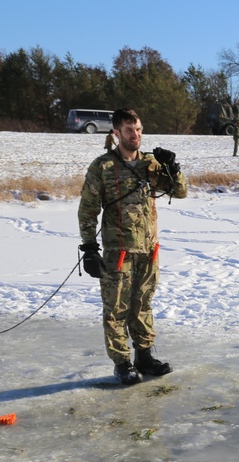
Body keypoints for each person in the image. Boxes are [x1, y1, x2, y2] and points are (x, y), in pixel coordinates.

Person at [77, 108, 188, 385]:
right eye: (128, 130)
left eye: (138, 129)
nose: (135, 135)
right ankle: (122, 362)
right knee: (116, 309)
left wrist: (173, 167)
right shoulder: (102, 166)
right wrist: (89, 248)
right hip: (119, 251)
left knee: (143, 304)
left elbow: (180, 191)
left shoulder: (150, 164)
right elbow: (88, 210)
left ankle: (144, 356)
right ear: (116, 133)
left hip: (149, 250)